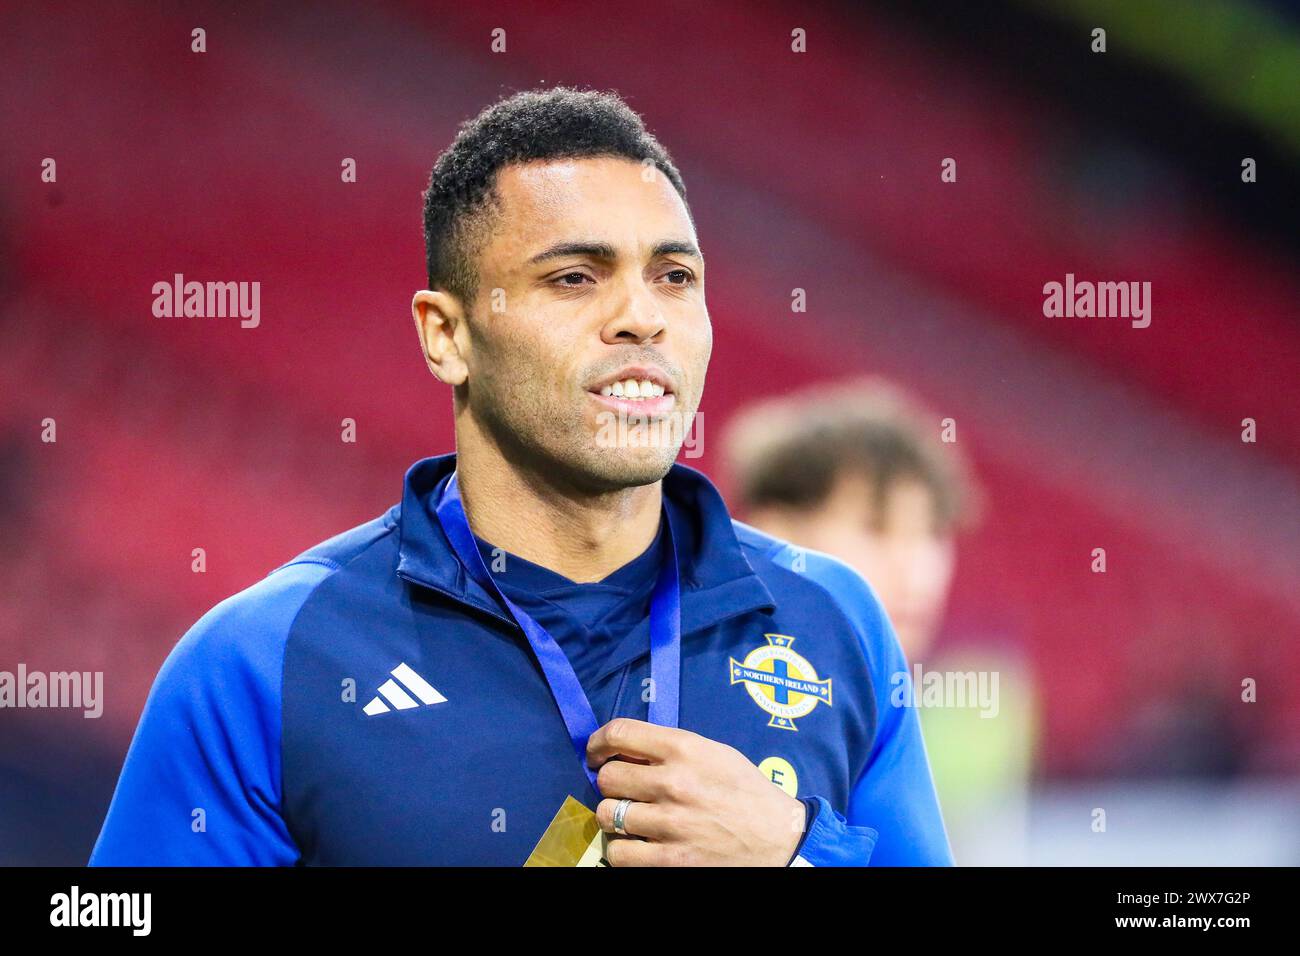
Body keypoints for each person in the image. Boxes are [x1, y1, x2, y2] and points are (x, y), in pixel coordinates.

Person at [88, 88, 951, 866]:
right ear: (447, 336)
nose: (642, 316)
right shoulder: (264, 661)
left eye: (675, 277)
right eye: (575, 277)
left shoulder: (834, 622)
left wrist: (795, 858)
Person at [724, 378, 1037, 864]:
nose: (918, 569)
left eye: (932, 532)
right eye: (876, 528)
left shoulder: (952, 703)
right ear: (773, 530)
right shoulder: (702, 682)